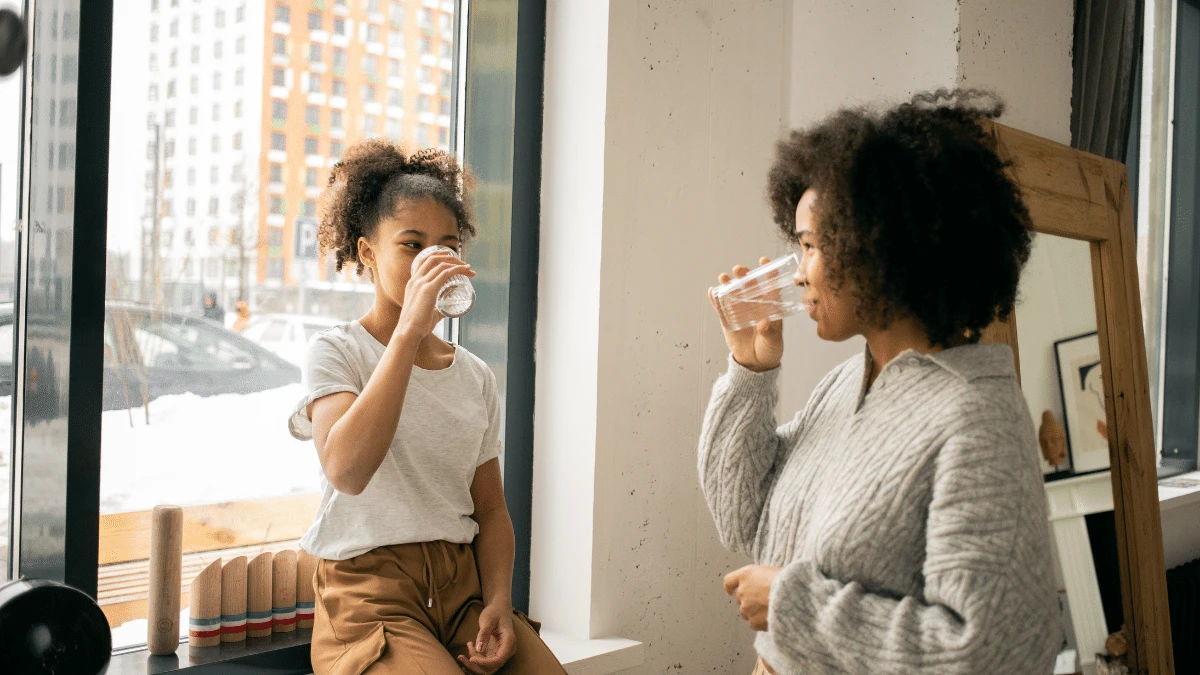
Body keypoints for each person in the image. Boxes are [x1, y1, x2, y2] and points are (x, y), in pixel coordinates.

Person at [699, 89, 1059, 674]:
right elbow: (743, 518)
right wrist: (750, 371)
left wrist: (795, 605)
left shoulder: (975, 418)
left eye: (811, 246)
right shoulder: (849, 384)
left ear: (883, 249)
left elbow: (994, 651)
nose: (798, 275)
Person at [288, 141, 567, 675]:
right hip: (371, 594)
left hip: (462, 589)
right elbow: (346, 470)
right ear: (368, 253)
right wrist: (409, 333)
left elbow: (490, 511)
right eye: (411, 245)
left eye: (447, 246)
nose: (432, 262)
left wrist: (498, 604)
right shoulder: (337, 351)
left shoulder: (474, 375)